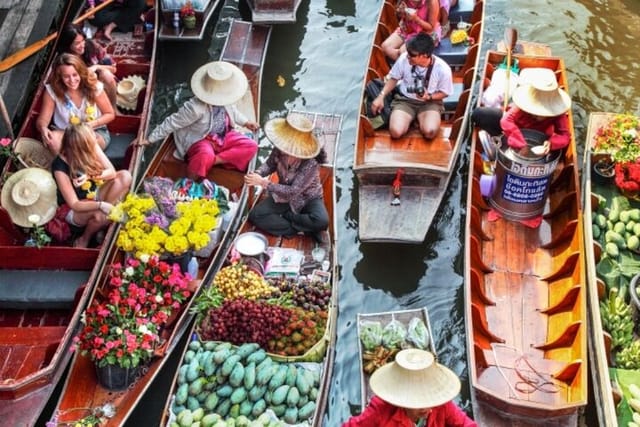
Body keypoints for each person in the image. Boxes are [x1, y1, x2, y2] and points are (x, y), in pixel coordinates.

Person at [142, 61, 259, 179]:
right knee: (204, 155)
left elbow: (233, 112)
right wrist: (150, 139)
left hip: (222, 135)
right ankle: (192, 179)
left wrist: (246, 122)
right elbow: (172, 122)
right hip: (201, 139)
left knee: (251, 145)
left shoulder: (226, 99)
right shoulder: (194, 108)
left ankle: (214, 160)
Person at [244, 113, 329, 243]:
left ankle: (289, 217)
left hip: (308, 198)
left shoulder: (311, 162)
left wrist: (263, 183)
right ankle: (297, 228)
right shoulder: (279, 149)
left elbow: (293, 191)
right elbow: (269, 164)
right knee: (255, 215)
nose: (284, 149)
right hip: (282, 196)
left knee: (322, 221)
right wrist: (257, 173)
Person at [343, 349, 477, 427]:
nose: (427, 408)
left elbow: (466, 424)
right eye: (419, 401)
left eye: (428, 400)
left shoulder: (442, 405)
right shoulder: (380, 409)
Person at [51, 123, 131, 248]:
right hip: (75, 208)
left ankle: (101, 224)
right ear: (77, 149)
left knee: (125, 176)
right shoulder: (59, 167)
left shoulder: (91, 145)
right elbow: (75, 204)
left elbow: (112, 172)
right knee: (102, 214)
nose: (94, 145)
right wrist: (101, 205)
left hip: (95, 193)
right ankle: (84, 238)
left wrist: (90, 176)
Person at [471, 67, 572, 156]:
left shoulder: (557, 112)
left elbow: (565, 136)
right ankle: (500, 142)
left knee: (556, 154)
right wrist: (521, 144)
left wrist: (551, 143)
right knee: (479, 114)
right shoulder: (524, 104)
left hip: (538, 137)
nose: (538, 116)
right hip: (515, 131)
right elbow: (506, 120)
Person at [371, 33, 453, 140]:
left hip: (429, 103)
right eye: (408, 53)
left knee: (430, 132)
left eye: (412, 55)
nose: (408, 57)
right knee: (395, 132)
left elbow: (445, 93)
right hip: (405, 100)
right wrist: (381, 96)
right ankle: (413, 119)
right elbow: (394, 78)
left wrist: (429, 97)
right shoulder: (404, 58)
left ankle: (417, 119)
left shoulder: (443, 69)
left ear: (424, 56)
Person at [36, 53, 115, 155]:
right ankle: (68, 167)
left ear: (81, 73)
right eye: (66, 77)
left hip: (94, 131)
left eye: (75, 75)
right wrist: (43, 128)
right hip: (65, 133)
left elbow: (109, 114)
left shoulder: (93, 87)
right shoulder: (52, 91)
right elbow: (43, 120)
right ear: (60, 77)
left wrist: (89, 125)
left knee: (84, 143)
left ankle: (74, 165)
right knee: (52, 140)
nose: (72, 80)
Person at [58, 24, 118, 110]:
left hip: (103, 86)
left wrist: (96, 67)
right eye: (77, 43)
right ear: (68, 45)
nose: (82, 45)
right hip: (81, 92)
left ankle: (113, 108)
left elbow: (114, 69)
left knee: (106, 74)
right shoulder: (65, 60)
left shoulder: (92, 46)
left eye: (82, 41)